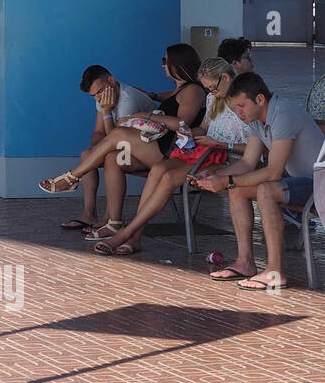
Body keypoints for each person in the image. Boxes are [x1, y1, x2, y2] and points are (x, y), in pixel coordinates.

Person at [38, 44, 206, 242]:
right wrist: (152, 96)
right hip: (152, 146)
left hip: (169, 151)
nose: (162, 65)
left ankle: (72, 177)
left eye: (165, 61)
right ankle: (113, 221)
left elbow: (182, 125)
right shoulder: (182, 89)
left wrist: (145, 115)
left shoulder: (193, 91)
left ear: (177, 64)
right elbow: (165, 97)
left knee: (118, 134)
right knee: (111, 158)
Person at [91, 57, 250, 255]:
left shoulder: (245, 102)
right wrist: (188, 135)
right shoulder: (214, 98)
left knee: (167, 177)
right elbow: (203, 128)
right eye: (208, 88)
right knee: (158, 169)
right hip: (207, 153)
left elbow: (257, 147)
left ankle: (127, 233)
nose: (211, 92)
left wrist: (221, 143)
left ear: (225, 77)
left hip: (229, 158)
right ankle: (135, 236)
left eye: (212, 87)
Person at [190, 72, 324, 291]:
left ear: (260, 99)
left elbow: (273, 172)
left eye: (242, 106)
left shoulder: (283, 113)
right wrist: (218, 176)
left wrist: (227, 180)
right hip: (302, 180)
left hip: (320, 184)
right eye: (235, 107)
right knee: (237, 190)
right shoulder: (256, 119)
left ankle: (275, 271)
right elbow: (247, 163)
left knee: (266, 190)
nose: (238, 112)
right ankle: (245, 263)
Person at [58, 64, 156, 232]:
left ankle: (110, 218)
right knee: (86, 154)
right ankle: (89, 214)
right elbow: (98, 132)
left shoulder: (127, 100)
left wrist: (106, 112)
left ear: (111, 80)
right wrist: (94, 150)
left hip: (147, 150)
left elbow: (116, 140)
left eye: (100, 91)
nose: (97, 98)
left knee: (111, 158)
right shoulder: (103, 99)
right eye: (94, 95)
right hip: (126, 148)